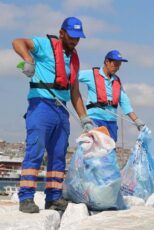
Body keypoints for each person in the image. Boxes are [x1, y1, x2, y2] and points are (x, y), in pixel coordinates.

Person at [12, 17, 94, 213]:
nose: (75, 41)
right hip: (41, 105)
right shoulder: (45, 44)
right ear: (62, 33)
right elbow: (17, 42)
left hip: (61, 110)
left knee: (58, 156)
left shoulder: (74, 59)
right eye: (72, 36)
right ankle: (26, 198)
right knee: (35, 152)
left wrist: (85, 119)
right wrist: (29, 60)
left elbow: (75, 92)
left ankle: (54, 198)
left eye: (78, 38)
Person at [78, 50, 145, 141]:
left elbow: (125, 102)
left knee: (110, 151)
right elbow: (72, 76)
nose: (117, 68)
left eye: (119, 65)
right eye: (115, 64)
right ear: (106, 62)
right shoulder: (91, 74)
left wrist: (137, 121)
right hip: (95, 119)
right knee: (95, 151)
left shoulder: (117, 81)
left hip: (111, 122)